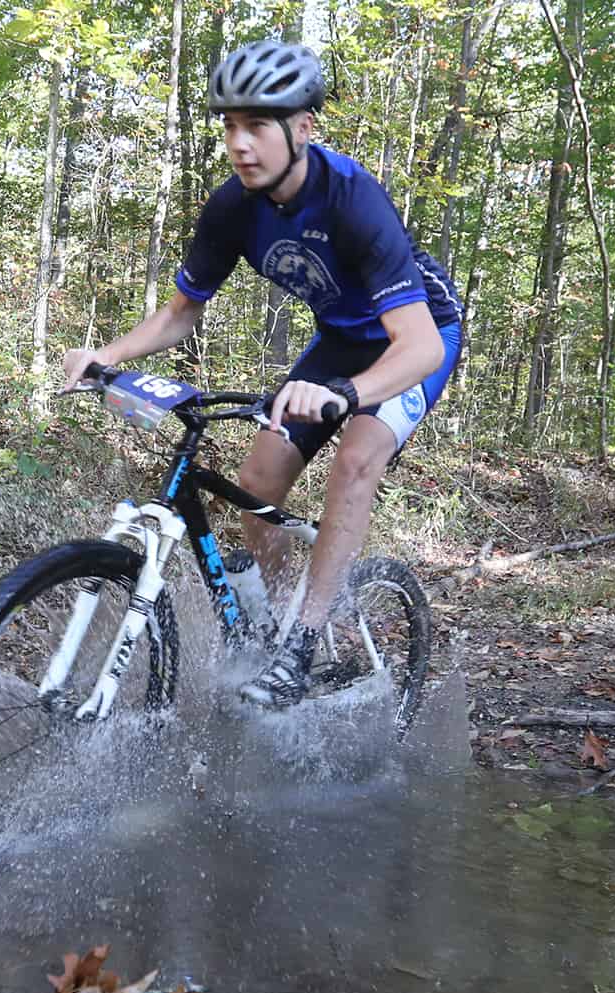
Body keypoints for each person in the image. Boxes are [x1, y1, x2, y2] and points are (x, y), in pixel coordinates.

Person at [63, 40, 463, 710]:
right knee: (256, 483)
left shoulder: (352, 200)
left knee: (356, 460)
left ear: (302, 128)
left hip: (418, 339)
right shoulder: (233, 208)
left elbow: (418, 346)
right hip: (341, 340)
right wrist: (108, 355)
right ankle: (281, 620)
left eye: (256, 126)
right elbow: (181, 312)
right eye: (229, 127)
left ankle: (304, 641)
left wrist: (346, 395)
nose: (239, 144)